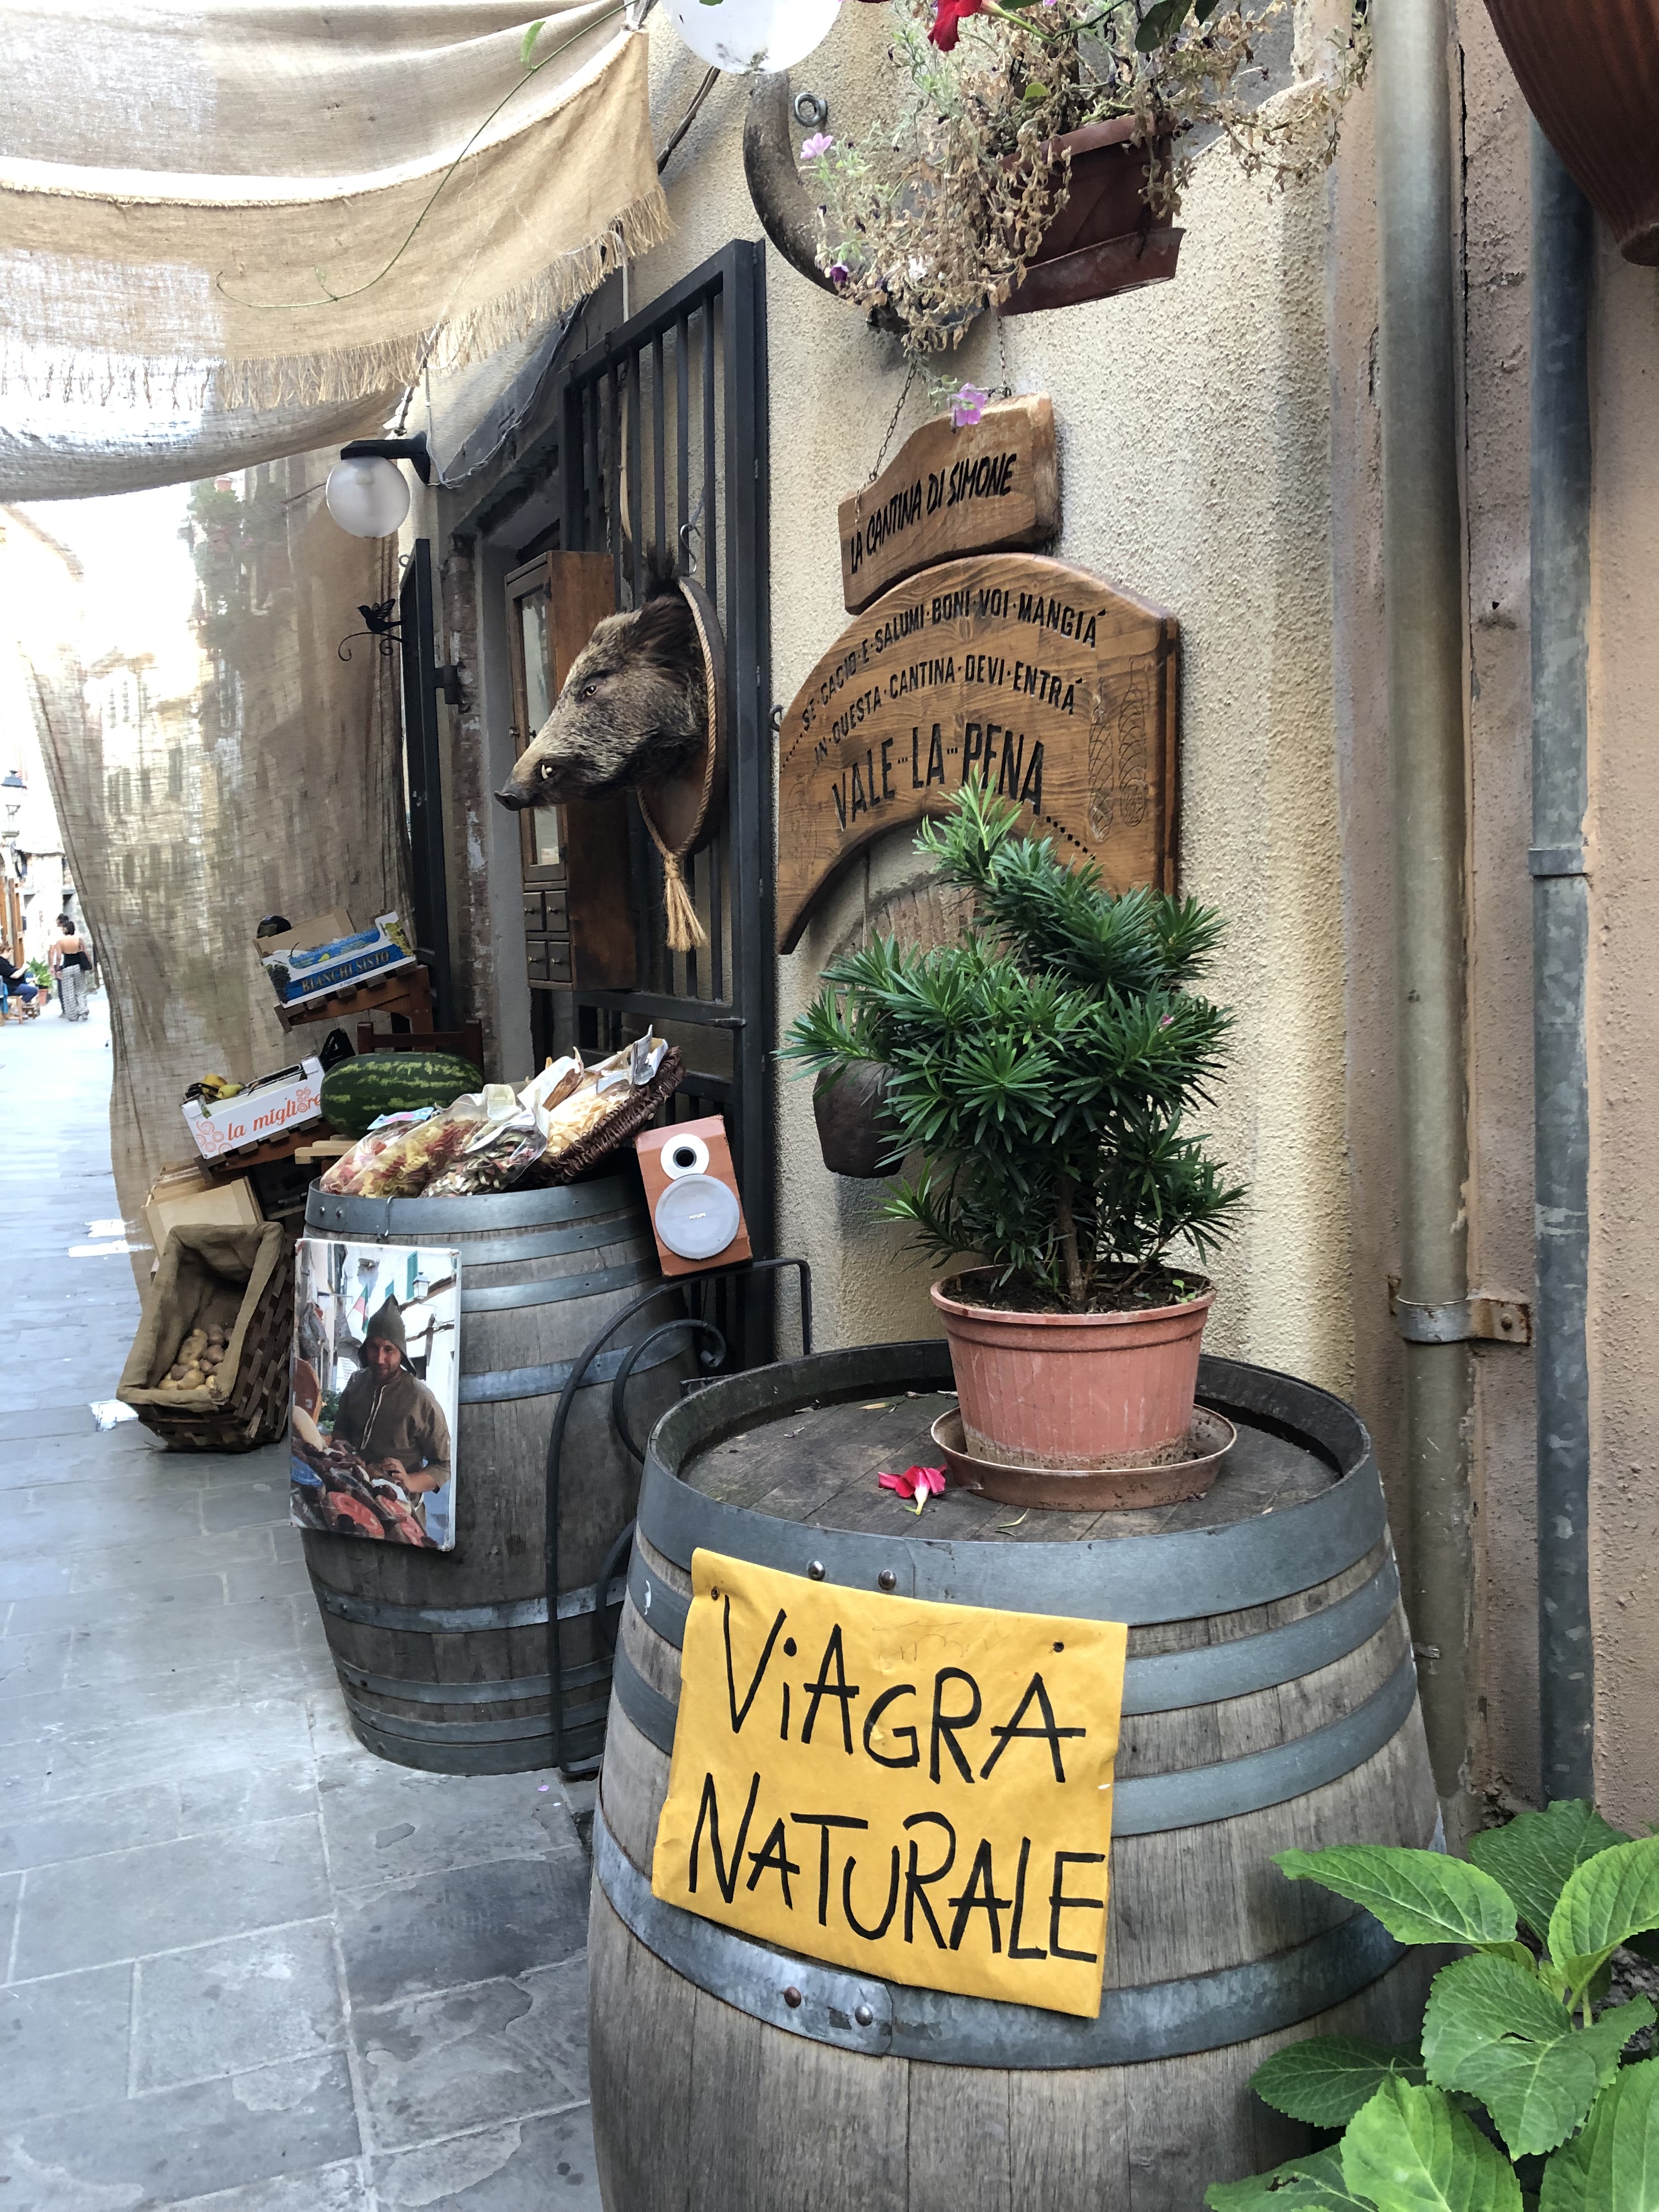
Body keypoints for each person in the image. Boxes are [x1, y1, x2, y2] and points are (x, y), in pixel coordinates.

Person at [330, 1294, 452, 1531]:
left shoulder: (420, 1399)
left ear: (401, 1352)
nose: (380, 1358)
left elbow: (444, 1465)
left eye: (389, 1349)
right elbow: (341, 1430)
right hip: (349, 1494)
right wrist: (341, 1446)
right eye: (374, 1347)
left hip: (400, 1512)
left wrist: (409, 1481)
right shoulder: (356, 1382)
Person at [50, 914, 92, 1022]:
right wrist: (89, 962)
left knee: (68, 992)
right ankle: (83, 1010)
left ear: (65, 930)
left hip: (67, 967)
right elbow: (84, 952)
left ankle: (73, 1014)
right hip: (78, 966)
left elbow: (59, 957)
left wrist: (58, 969)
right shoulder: (78, 940)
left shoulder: (60, 942)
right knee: (81, 990)